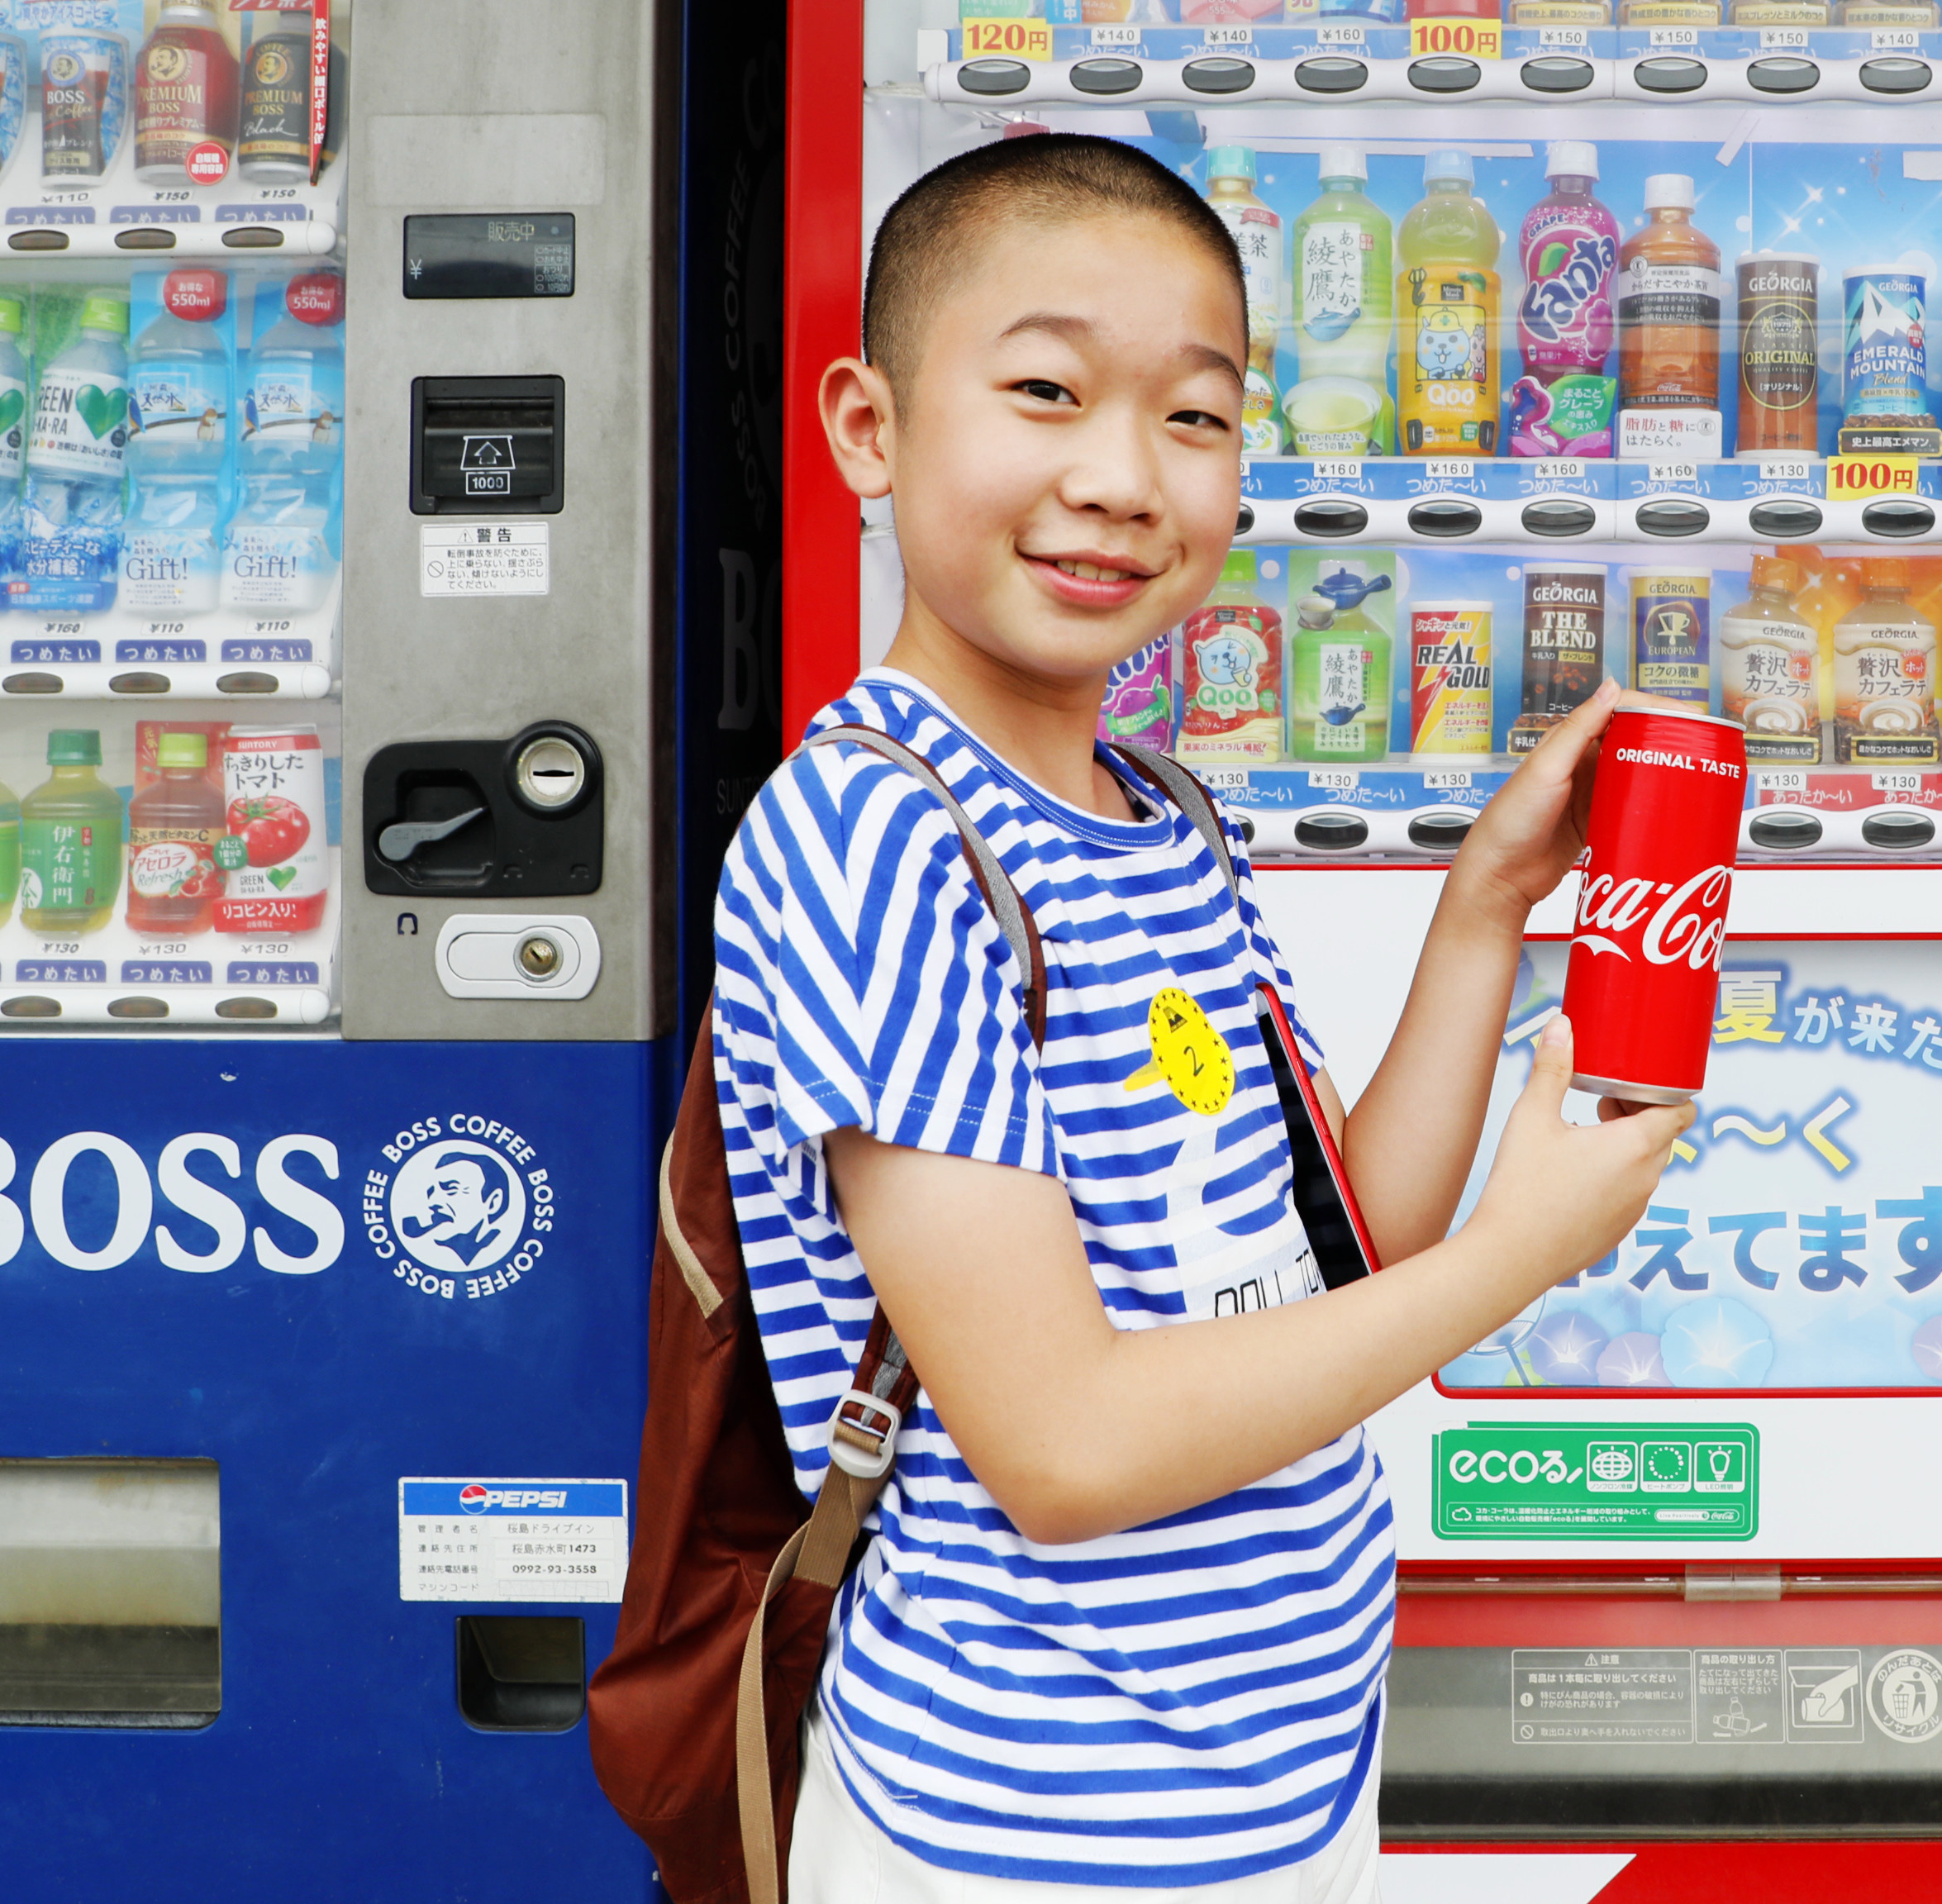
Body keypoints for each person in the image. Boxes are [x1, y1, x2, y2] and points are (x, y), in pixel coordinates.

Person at [711, 132, 1685, 1903]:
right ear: (869, 426)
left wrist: (1485, 910)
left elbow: (1324, 1258)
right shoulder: (875, 838)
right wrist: (1523, 1258)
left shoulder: (1162, 818)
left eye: (1194, 417)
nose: (1120, 478)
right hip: (1037, 1833)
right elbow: (1067, 1449)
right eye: (1045, 391)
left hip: (1281, 1788)